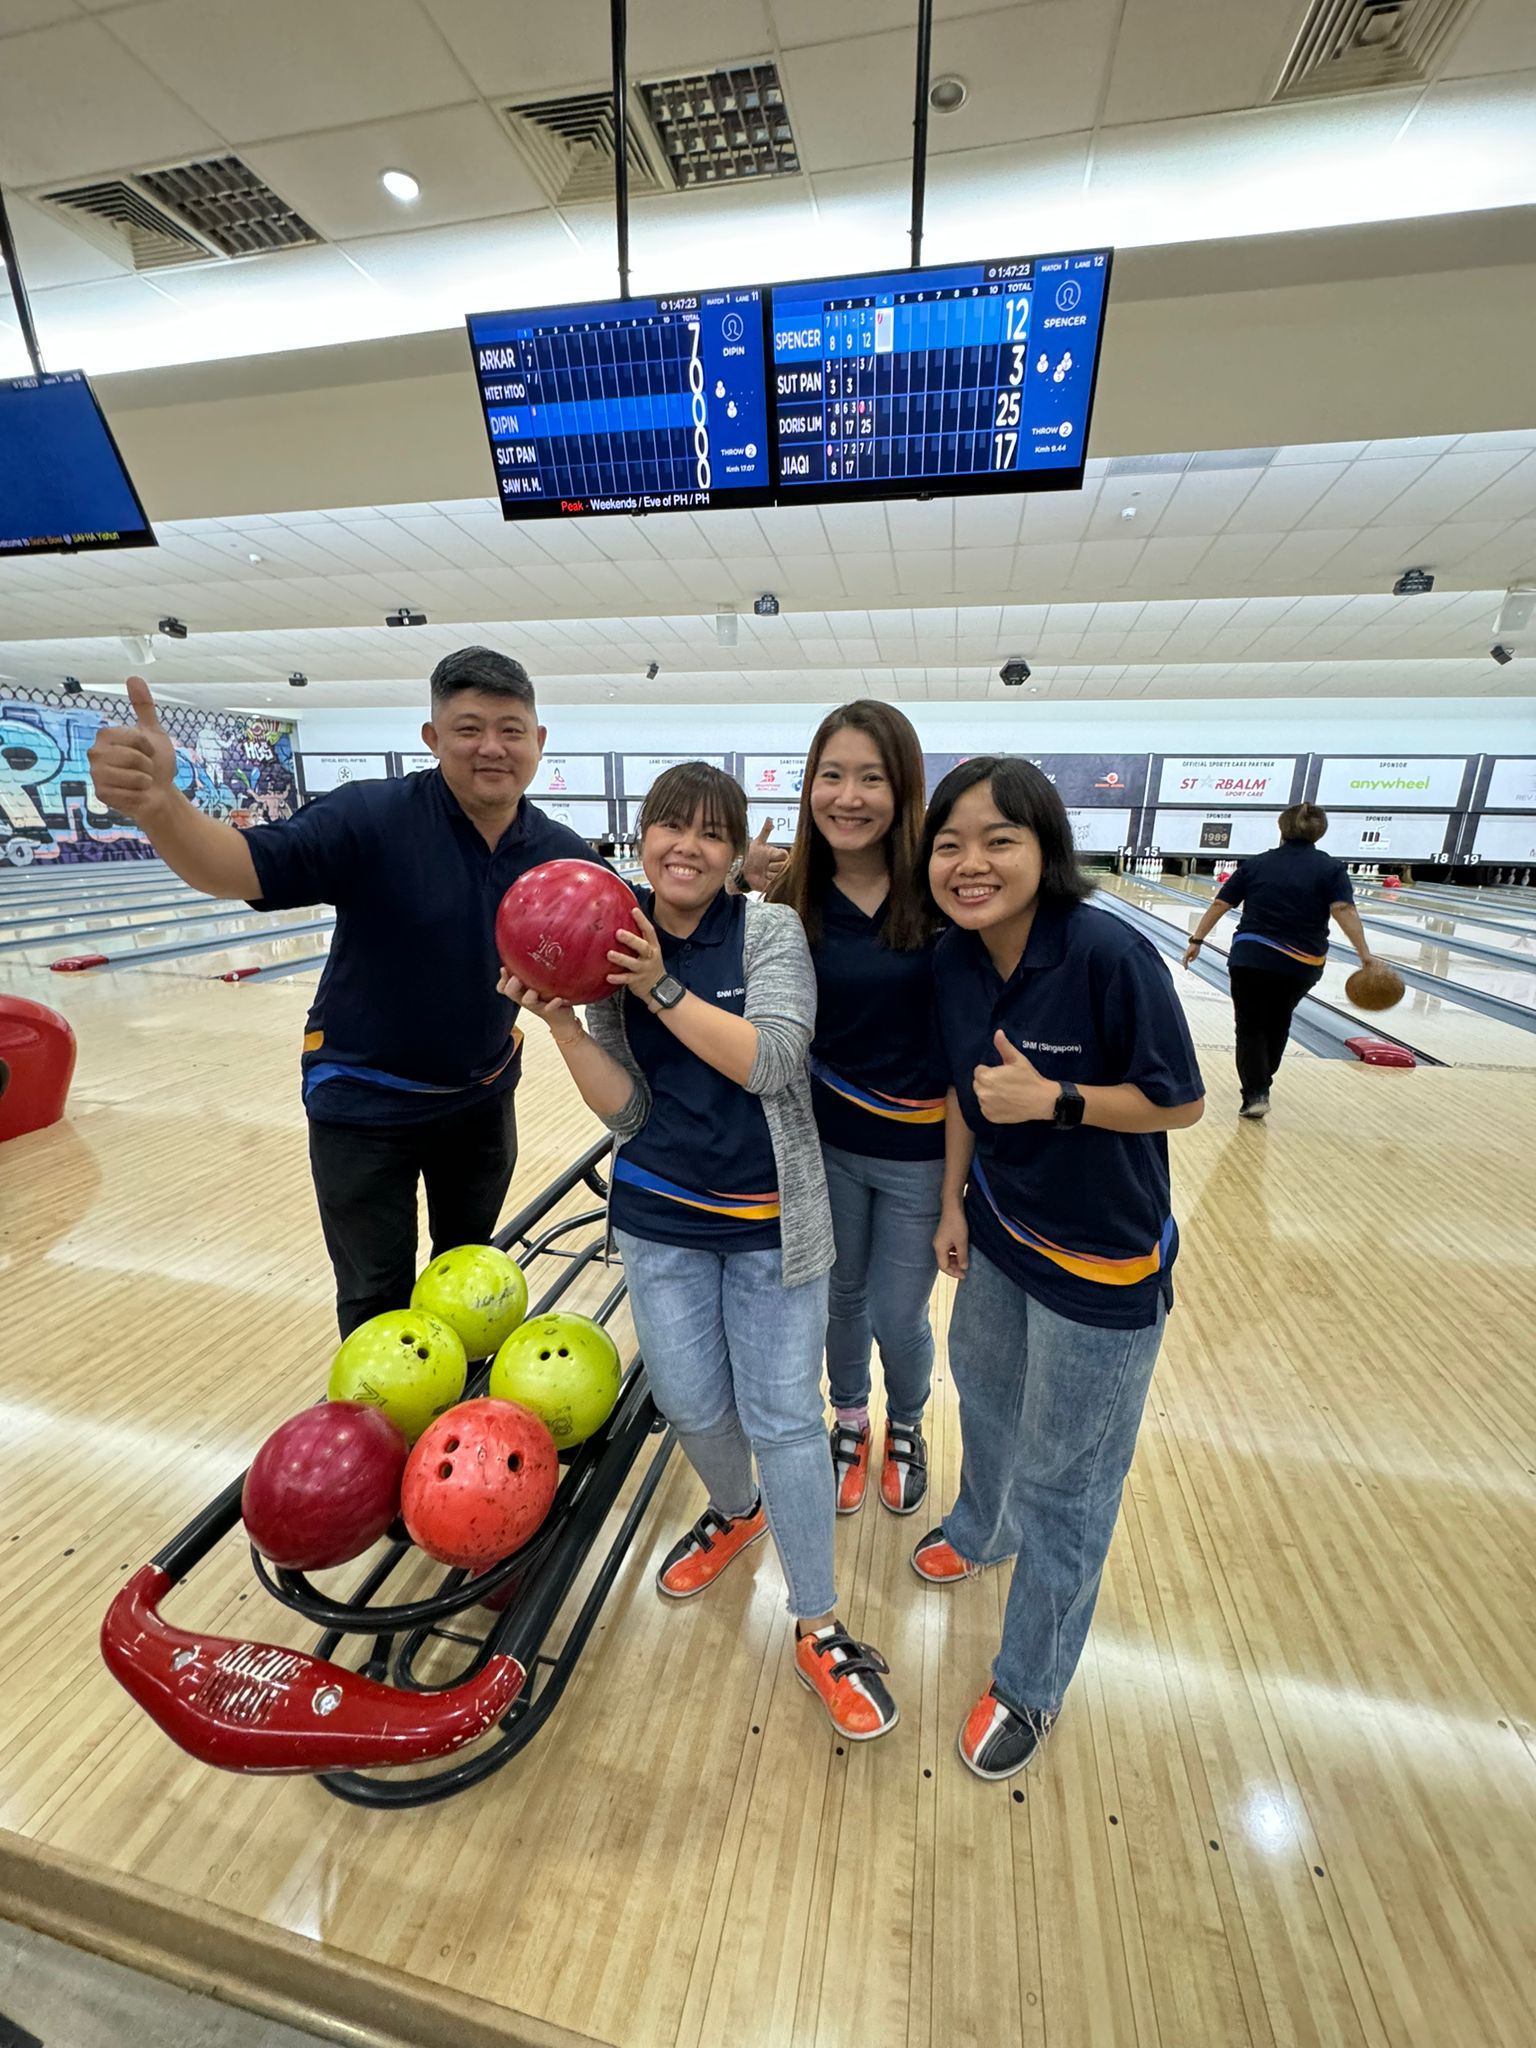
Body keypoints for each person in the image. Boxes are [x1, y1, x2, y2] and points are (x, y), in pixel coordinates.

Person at [505, 762, 898, 1742]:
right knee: (687, 1401)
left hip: (769, 1220)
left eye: (709, 833)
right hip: (659, 1216)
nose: (685, 845)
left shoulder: (763, 929)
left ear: (732, 851)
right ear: (641, 837)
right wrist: (562, 1019)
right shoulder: (612, 933)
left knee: (786, 1418)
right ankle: (735, 1509)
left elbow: (773, 1059)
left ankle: (819, 1619)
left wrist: (662, 984)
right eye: (666, 827)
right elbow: (626, 1106)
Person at [87, 648, 601, 1334]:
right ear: (432, 738)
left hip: (481, 1097)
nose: (491, 747)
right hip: (363, 1103)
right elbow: (240, 867)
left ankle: (461, 1429)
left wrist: (745, 877)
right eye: (468, 728)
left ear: (538, 742)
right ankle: (381, 1430)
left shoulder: (558, 853)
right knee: (376, 1295)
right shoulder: (371, 816)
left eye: (511, 730)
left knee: (471, 1278)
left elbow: (635, 920)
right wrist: (160, 806)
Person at [915, 757, 1204, 1780]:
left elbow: (1181, 1101)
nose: (971, 860)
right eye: (950, 841)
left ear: (1045, 848)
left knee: (1071, 1483)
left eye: (999, 839)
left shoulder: (1110, 956)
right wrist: (953, 1200)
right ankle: (979, 1525)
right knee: (984, 1390)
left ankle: (1032, 1685)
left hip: (1105, 1261)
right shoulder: (952, 959)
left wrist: (1062, 1100)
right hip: (998, 1223)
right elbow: (961, 1090)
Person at [757, 702, 946, 1517]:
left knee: (899, 1310)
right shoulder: (787, 895)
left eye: (872, 777)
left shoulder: (940, 894)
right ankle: (851, 1418)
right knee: (839, 1299)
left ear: (903, 791)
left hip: (921, 1154)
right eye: (831, 775)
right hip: (822, 1146)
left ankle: (907, 1420)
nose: (849, 795)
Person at [1182, 803, 1376, 1120]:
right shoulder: (1331, 869)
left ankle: (1256, 1092)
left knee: (1250, 1026)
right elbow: (1343, 909)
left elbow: (1221, 902)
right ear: (1320, 832)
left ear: (1282, 828)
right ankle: (1261, 1083)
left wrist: (1197, 940)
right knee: (1277, 1021)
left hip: (1251, 957)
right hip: (1302, 964)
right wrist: (1364, 954)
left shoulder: (1257, 865)